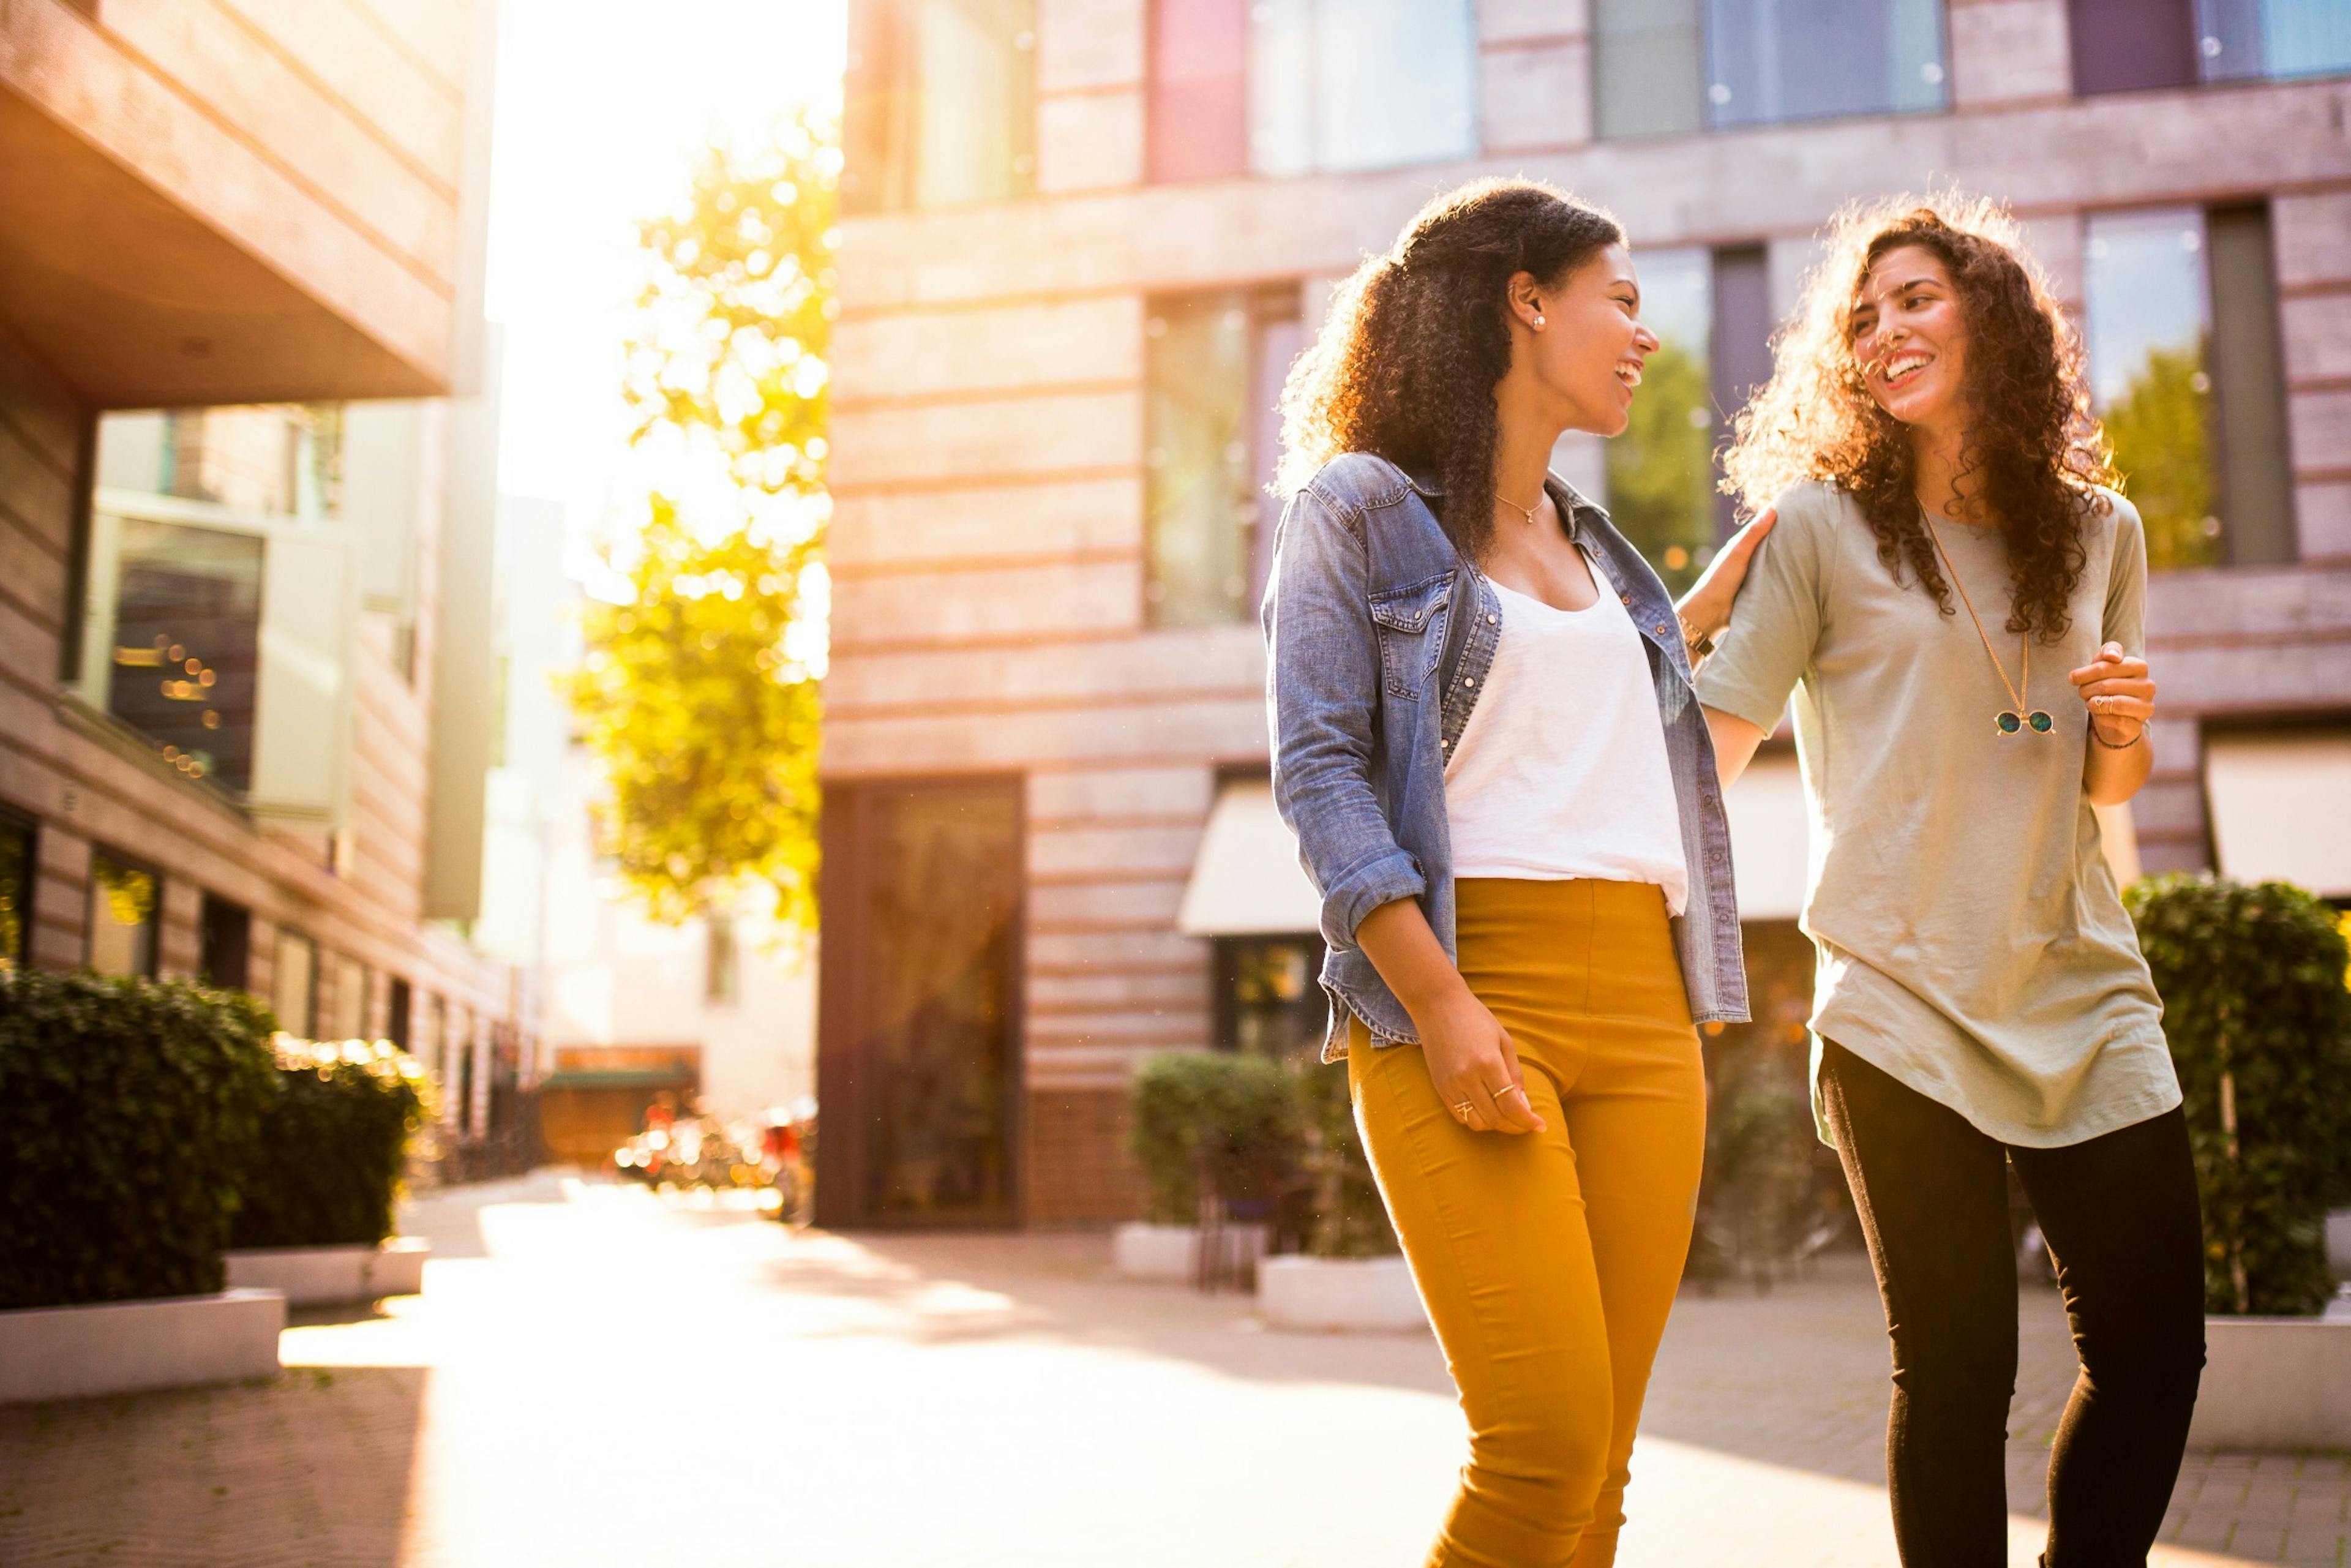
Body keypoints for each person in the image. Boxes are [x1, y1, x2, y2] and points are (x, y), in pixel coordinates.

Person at [1264, 176, 1766, 1568]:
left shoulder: (1604, 555)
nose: (1643, 337)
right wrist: (1436, 1002)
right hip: (1469, 994)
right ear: (1526, 299)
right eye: (1622, 299)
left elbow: (1643, 775)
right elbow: (1319, 772)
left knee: (1598, 1469)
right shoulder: (1359, 509)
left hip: (1651, 1020)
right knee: (1538, 1445)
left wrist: (1746, 612)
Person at [1695, 196, 2203, 1566]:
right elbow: (1709, 747)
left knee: (2158, 1358)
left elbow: (2105, 789)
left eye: (1915, 298)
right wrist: (1663, 628)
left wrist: (2126, 729)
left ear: (1991, 315)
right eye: (1862, 319)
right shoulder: (1820, 528)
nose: (1884, 331)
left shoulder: (2102, 532)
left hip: (2081, 985)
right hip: (1898, 1001)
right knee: (1961, 1374)